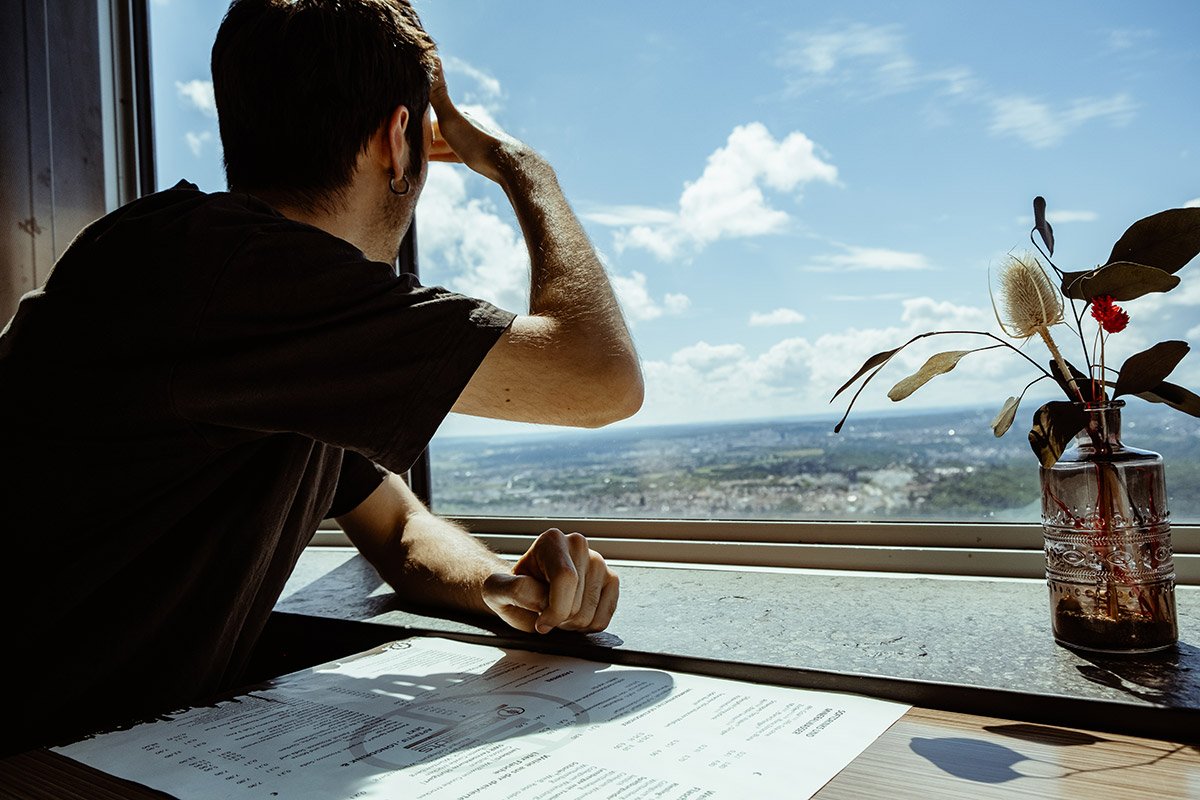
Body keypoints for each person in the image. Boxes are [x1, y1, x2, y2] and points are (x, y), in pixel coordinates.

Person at [0, 0, 641, 754]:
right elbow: (601, 377)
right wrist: (524, 168)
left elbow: (399, 527)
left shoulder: (242, 310)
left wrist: (497, 585)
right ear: (397, 141)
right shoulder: (227, 279)